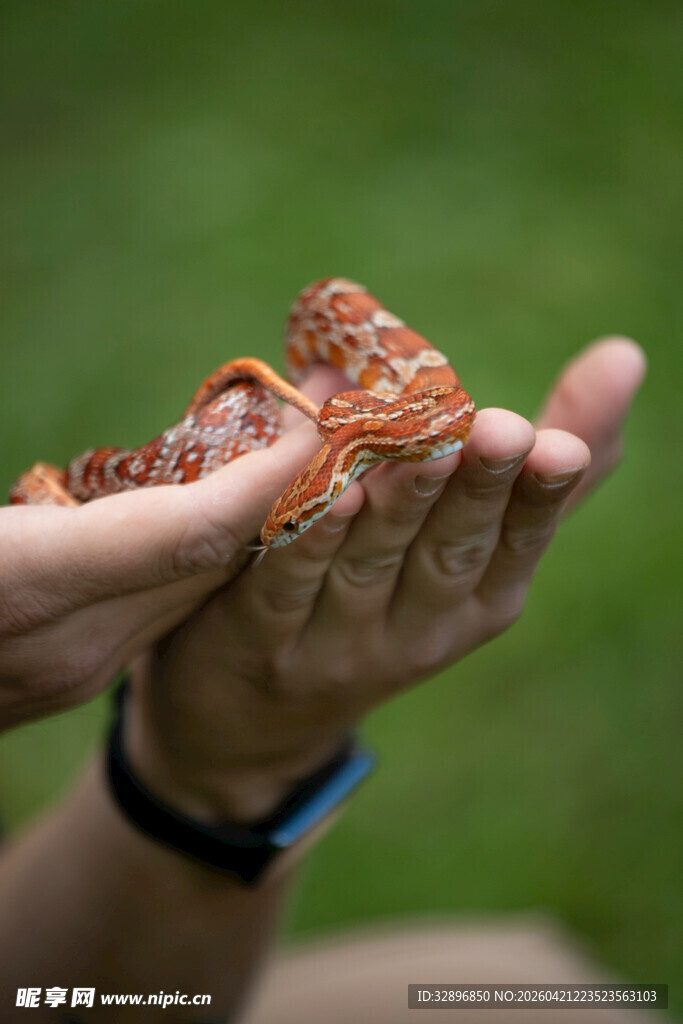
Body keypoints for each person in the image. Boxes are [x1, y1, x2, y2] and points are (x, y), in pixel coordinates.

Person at [0, 337, 646, 1023]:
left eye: (298, 516)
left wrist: (215, 770)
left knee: (540, 985)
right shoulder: (354, 439)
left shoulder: (359, 434)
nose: (287, 528)